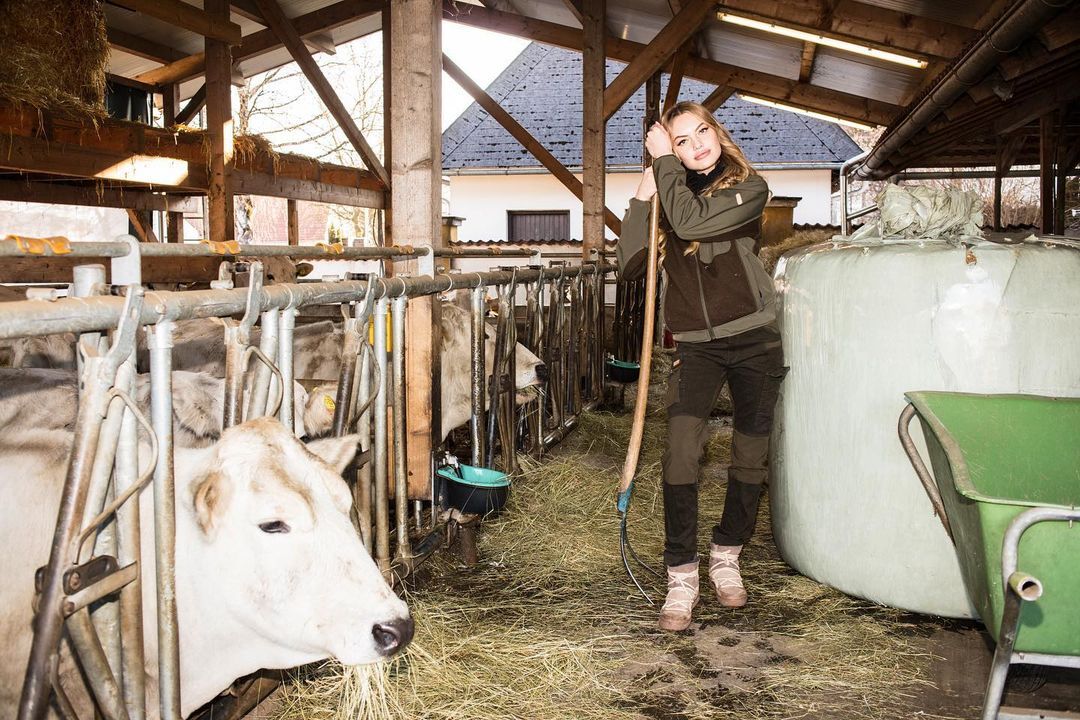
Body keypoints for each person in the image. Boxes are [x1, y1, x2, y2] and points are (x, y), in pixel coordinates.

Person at [616, 101, 786, 632]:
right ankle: (682, 573)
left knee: (751, 456)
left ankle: (727, 556)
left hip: (754, 340)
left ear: (717, 133)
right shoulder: (668, 194)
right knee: (681, 455)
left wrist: (664, 165)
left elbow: (691, 223)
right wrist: (642, 200)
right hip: (695, 346)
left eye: (700, 133)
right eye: (681, 141)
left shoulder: (749, 188)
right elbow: (628, 266)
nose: (695, 146)